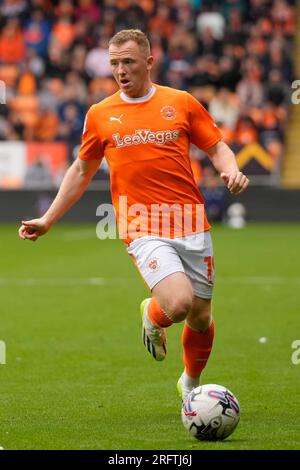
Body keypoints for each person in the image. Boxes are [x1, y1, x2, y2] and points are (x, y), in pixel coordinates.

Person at [18, 29, 249, 401]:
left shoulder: (182, 102)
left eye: (128, 62)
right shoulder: (100, 114)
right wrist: (48, 219)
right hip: (141, 223)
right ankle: (155, 315)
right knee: (177, 303)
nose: (120, 70)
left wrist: (231, 169)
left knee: (201, 318)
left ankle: (189, 383)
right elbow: (81, 170)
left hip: (191, 221)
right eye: (114, 63)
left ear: (149, 63)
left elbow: (216, 146)